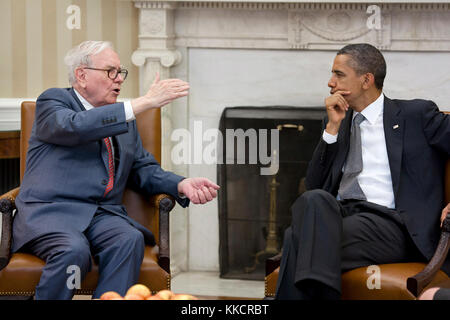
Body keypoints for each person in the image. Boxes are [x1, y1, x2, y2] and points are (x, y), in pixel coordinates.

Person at [12, 41, 220, 300]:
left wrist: (181, 183)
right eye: (111, 71)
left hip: (101, 215)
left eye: (121, 72)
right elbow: (76, 127)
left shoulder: (125, 123)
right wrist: (143, 103)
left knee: (128, 239)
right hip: (52, 212)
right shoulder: (54, 102)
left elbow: (143, 169)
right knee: (72, 250)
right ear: (82, 75)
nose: (119, 79)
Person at [275, 43, 450, 300]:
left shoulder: (416, 114)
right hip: (342, 215)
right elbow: (314, 186)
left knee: (295, 238)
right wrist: (332, 130)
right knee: (313, 201)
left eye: (339, 74)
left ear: (366, 79)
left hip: (393, 224)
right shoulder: (337, 121)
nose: (330, 82)